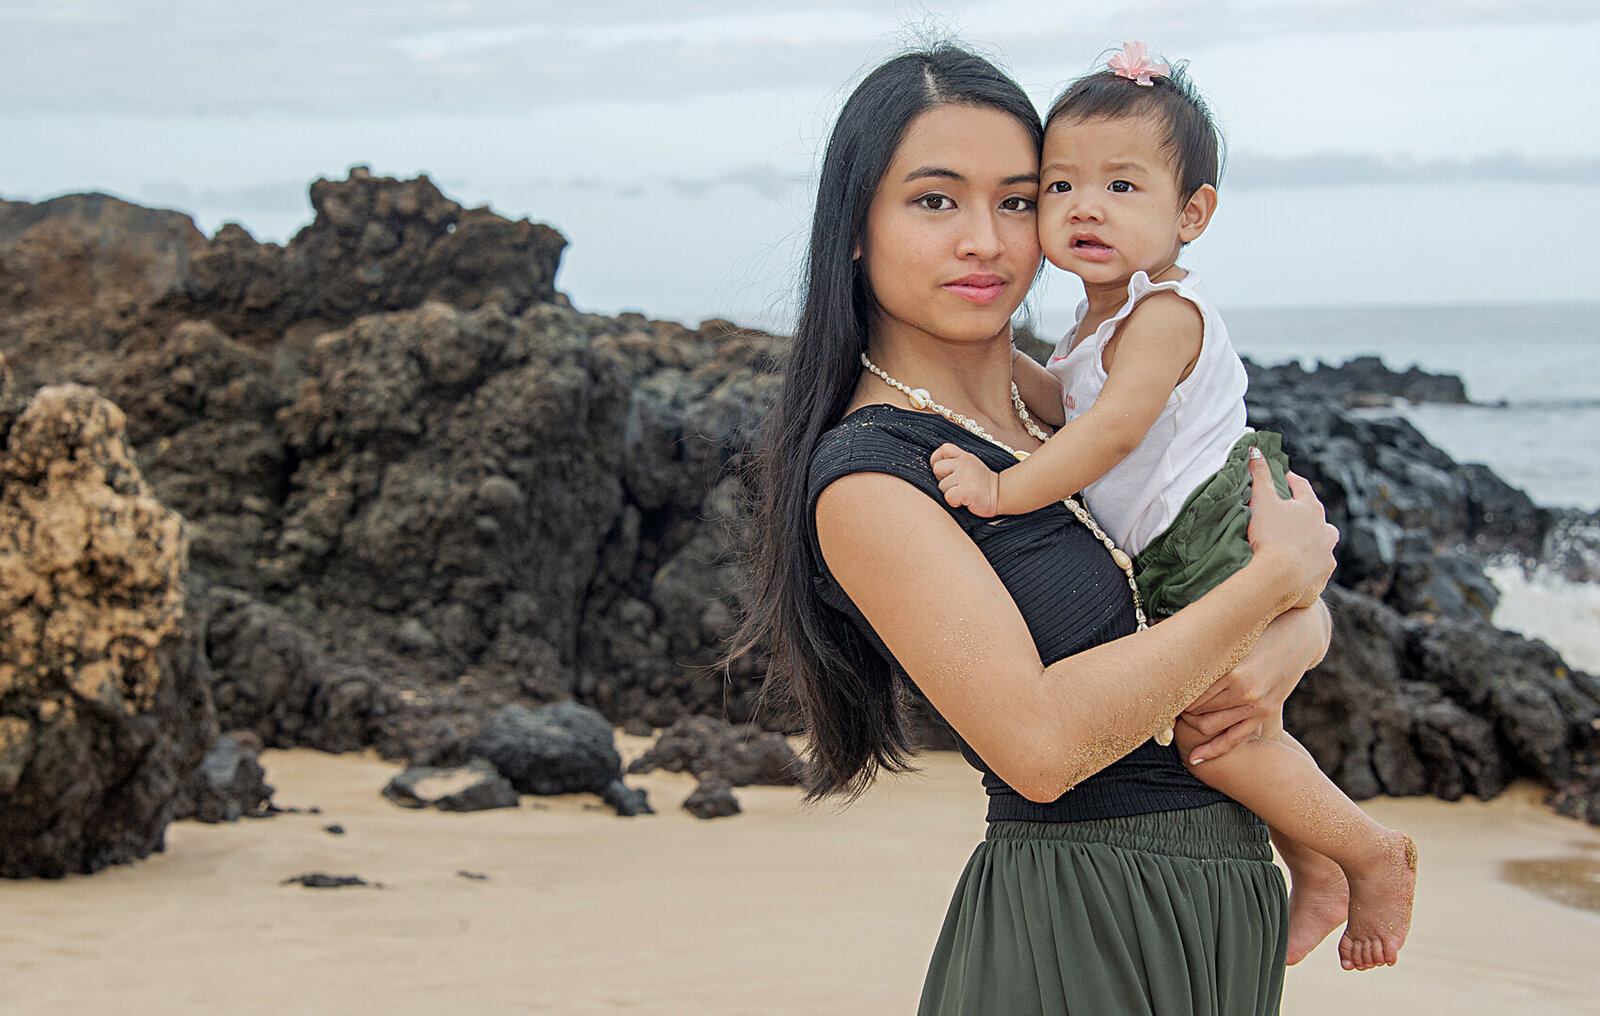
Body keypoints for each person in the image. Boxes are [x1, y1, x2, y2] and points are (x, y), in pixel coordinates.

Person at [734, 44, 1341, 1014]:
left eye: (1018, 200)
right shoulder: (871, 474)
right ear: (855, 225)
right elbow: (1042, 743)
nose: (986, 239)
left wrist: (1298, 626)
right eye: (935, 200)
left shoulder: (1072, 416)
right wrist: (1275, 589)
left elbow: (1212, 603)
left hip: (1218, 904)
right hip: (1080, 919)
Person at [926, 42, 1416, 973]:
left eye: (1122, 187)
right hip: (1188, 545)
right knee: (1241, 727)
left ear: (1192, 213)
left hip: (1207, 538)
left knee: (1215, 736)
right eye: (1060, 187)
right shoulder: (1092, 325)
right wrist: (970, 359)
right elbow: (1057, 397)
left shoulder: (1163, 316)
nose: (1086, 209)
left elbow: (1104, 436)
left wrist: (1003, 490)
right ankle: (1317, 860)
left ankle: (1364, 850)